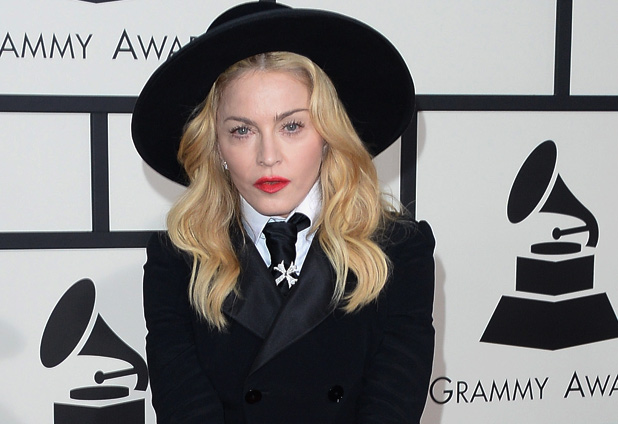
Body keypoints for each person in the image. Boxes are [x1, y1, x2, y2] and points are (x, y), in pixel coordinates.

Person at [132, 2, 435, 423]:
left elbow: (392, 408)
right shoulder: (178, 262)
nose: (268, 156)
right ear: (216, 146)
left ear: (328, 135)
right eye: (242, 131)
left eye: (291, 126)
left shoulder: (399, 252)